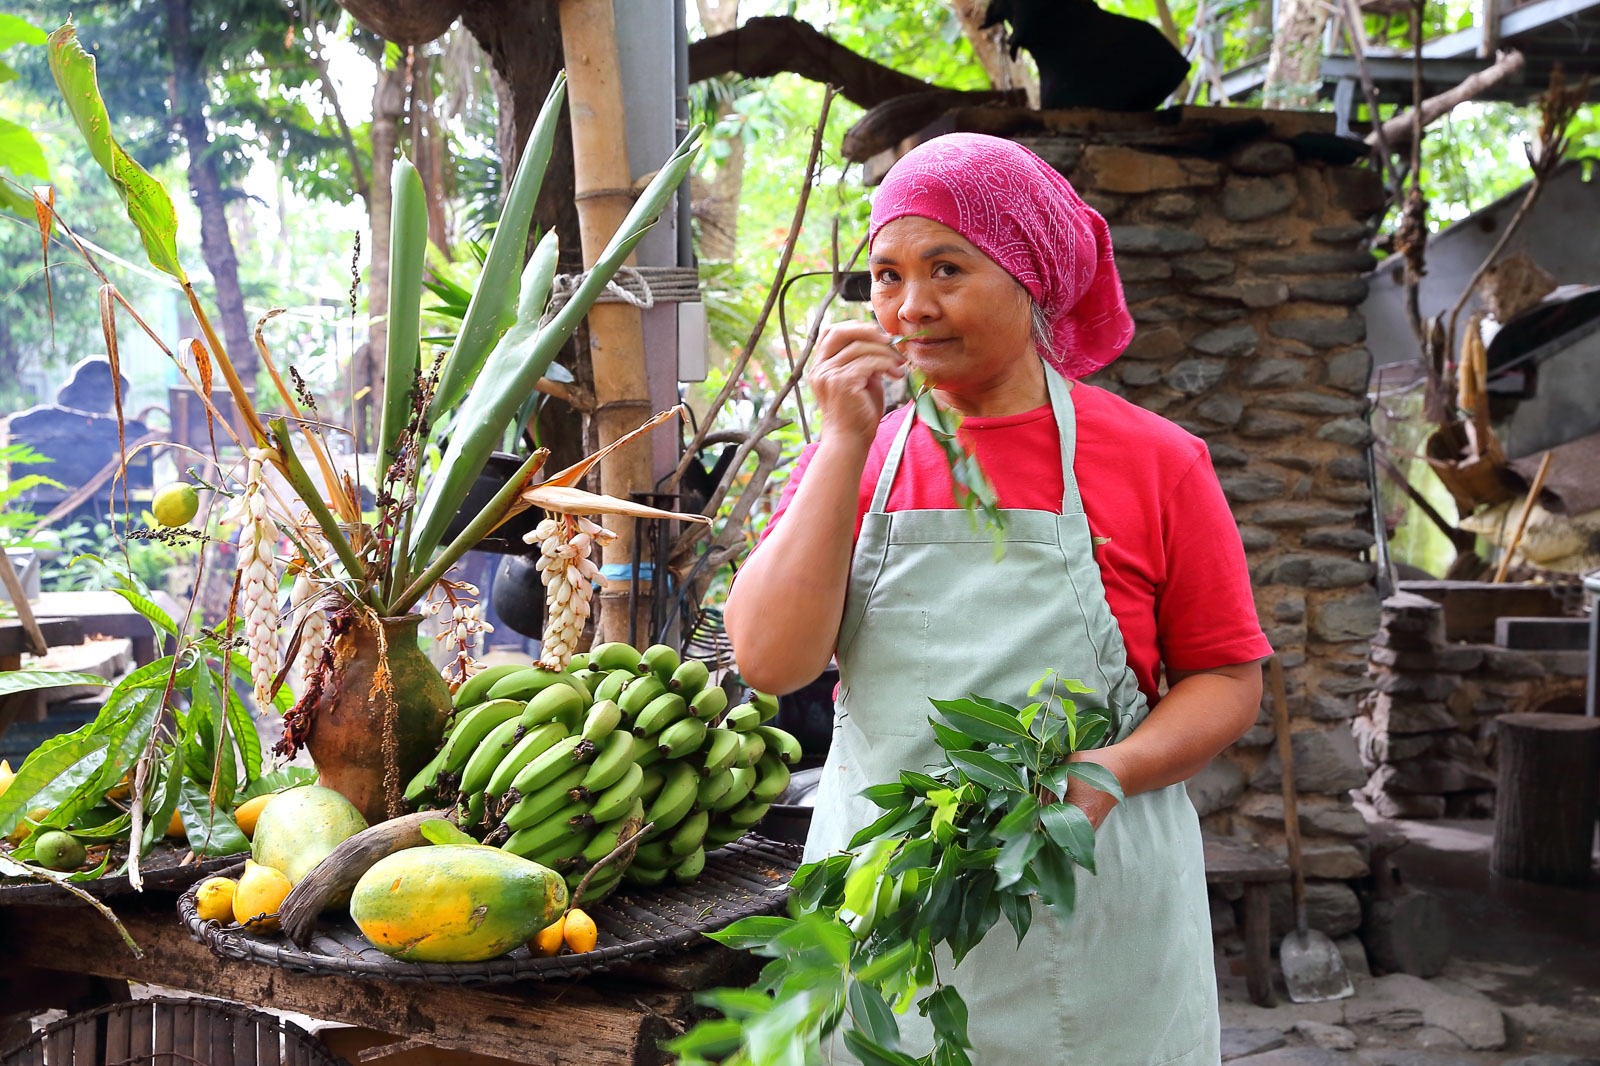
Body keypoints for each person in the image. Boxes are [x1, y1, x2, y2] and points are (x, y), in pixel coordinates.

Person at [724, 133, 1273, 1065]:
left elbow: (1227, 679)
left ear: (1031, 278)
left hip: (1090, 899)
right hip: (882, 900)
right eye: (886, 276)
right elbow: (771, 663)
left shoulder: (1155, 460)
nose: (911, 307)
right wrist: (845, 440)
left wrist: (1111, 772)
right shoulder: (854, 457)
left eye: (947, 267)